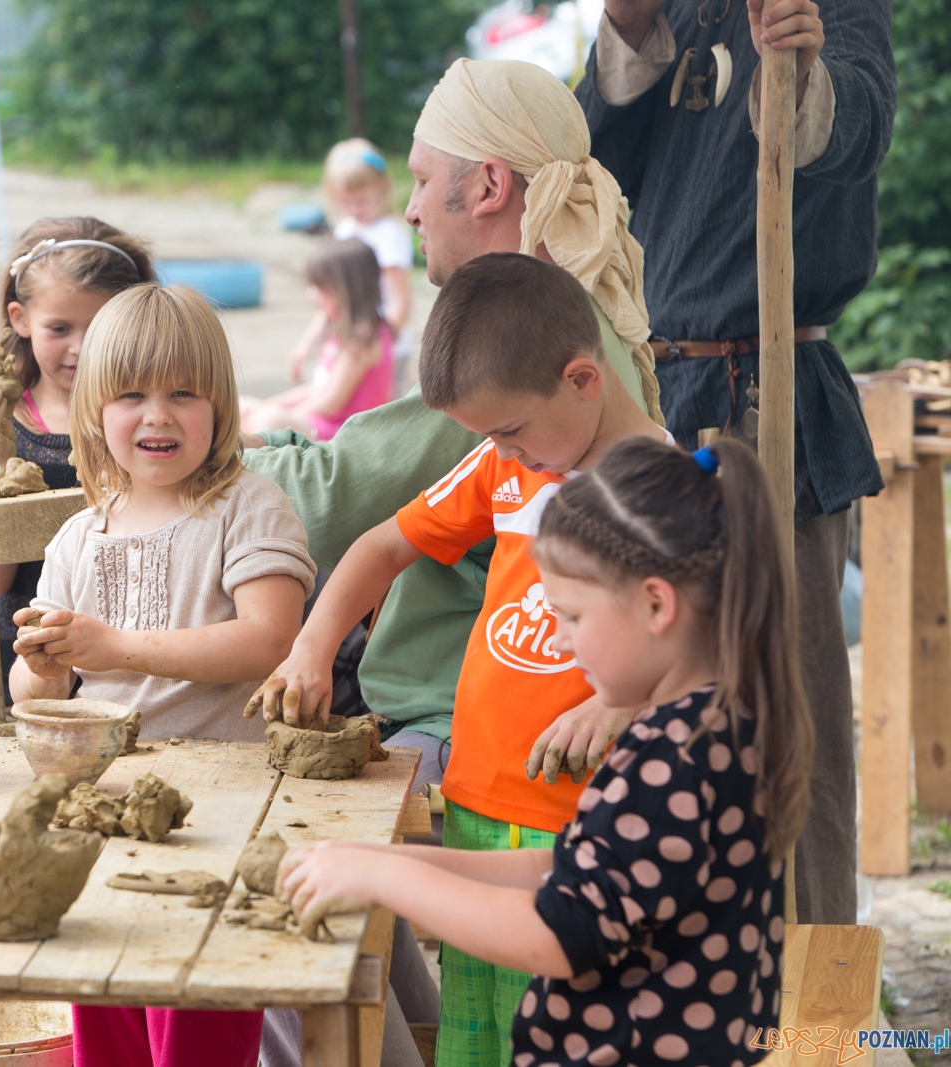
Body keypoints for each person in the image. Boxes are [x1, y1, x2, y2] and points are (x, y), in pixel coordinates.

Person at [244, 60, 669, 1067]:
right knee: (483, 1030)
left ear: (487, 187)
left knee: (555, 1018)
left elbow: (718, 636)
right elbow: (384, 538)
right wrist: (312, 644)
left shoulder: (616, 453)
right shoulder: (513, 443)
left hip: (564, 808)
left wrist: (620, 703)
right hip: (486, 788)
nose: (406, 207)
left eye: (420, 178)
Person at [280, 433, 813, 1066]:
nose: (557, 639)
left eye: (573, 616)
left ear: (656, 604)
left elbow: (561, 933)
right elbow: (568, 866)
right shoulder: (702, 725)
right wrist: (390, 863)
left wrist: (388, 876)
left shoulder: (676, 758)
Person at [576, 0, 893, 928]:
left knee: (786, 713)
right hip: (655, 395)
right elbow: (588, 173)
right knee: (654, 707)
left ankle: (815, 984)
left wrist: (798, 67)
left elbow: (858, 128)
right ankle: (687, 969)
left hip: (768, 399)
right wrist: (628, 30)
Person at [9, 283, 316, 1067]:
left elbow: (270, 639)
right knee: (104, 1002)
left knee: (197, 1017)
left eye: (184, 394)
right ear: (91, 412)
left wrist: (116, 646)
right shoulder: (78, 535)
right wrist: (42, 671)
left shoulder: (247, 507)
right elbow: (40, 694)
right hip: (103, 813)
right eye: (131, 396)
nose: (158, 416)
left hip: (223, 813)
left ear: (220, 406)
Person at [0, 217, 154, 700]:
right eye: (60, 328)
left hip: (137, 651)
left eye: (100, 327)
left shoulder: (152, 423)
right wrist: (2, 464)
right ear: (20, 318)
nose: (81, 347)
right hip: (27, 659)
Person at [241, 239, 395, 440]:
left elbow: (332, 401)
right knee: (243, 406)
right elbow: (317, 388)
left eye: (320, 287)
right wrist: (268, 404)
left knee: (269, 420)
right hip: (322, 421)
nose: (311, 293)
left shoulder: (362, 341)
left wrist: (285, 414)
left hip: (344, 433)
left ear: (345, 291)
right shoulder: (343, 330)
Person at [286, 138, 413, 375]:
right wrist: (306, 345)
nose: (354, 209)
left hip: (380, 350)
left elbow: (401, 302)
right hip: (352, 347)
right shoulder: (345, 230)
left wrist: (384, 343)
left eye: (361, 200)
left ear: (382, 187)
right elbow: (333, 299)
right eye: (345, 202)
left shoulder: (389, 234)